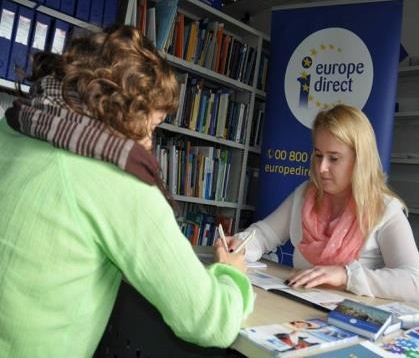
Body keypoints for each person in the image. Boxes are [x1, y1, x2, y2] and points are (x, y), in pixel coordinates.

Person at [0, 25, 253, 356]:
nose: (150, 142)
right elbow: (209, 321)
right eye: (152, 126)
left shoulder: (13, 127)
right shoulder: (118, 180)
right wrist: (232, 276)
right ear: (130, 113)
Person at [228, 104, 419, 304]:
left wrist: (345, 276)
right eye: (318, 155)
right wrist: (239, 245)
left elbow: (415, 285)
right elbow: (263, 235)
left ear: (360, 160)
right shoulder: (305, 195)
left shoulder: (384, 210)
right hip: (297, 310)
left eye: (334, 158)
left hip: (349, 325)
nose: (322, 168)